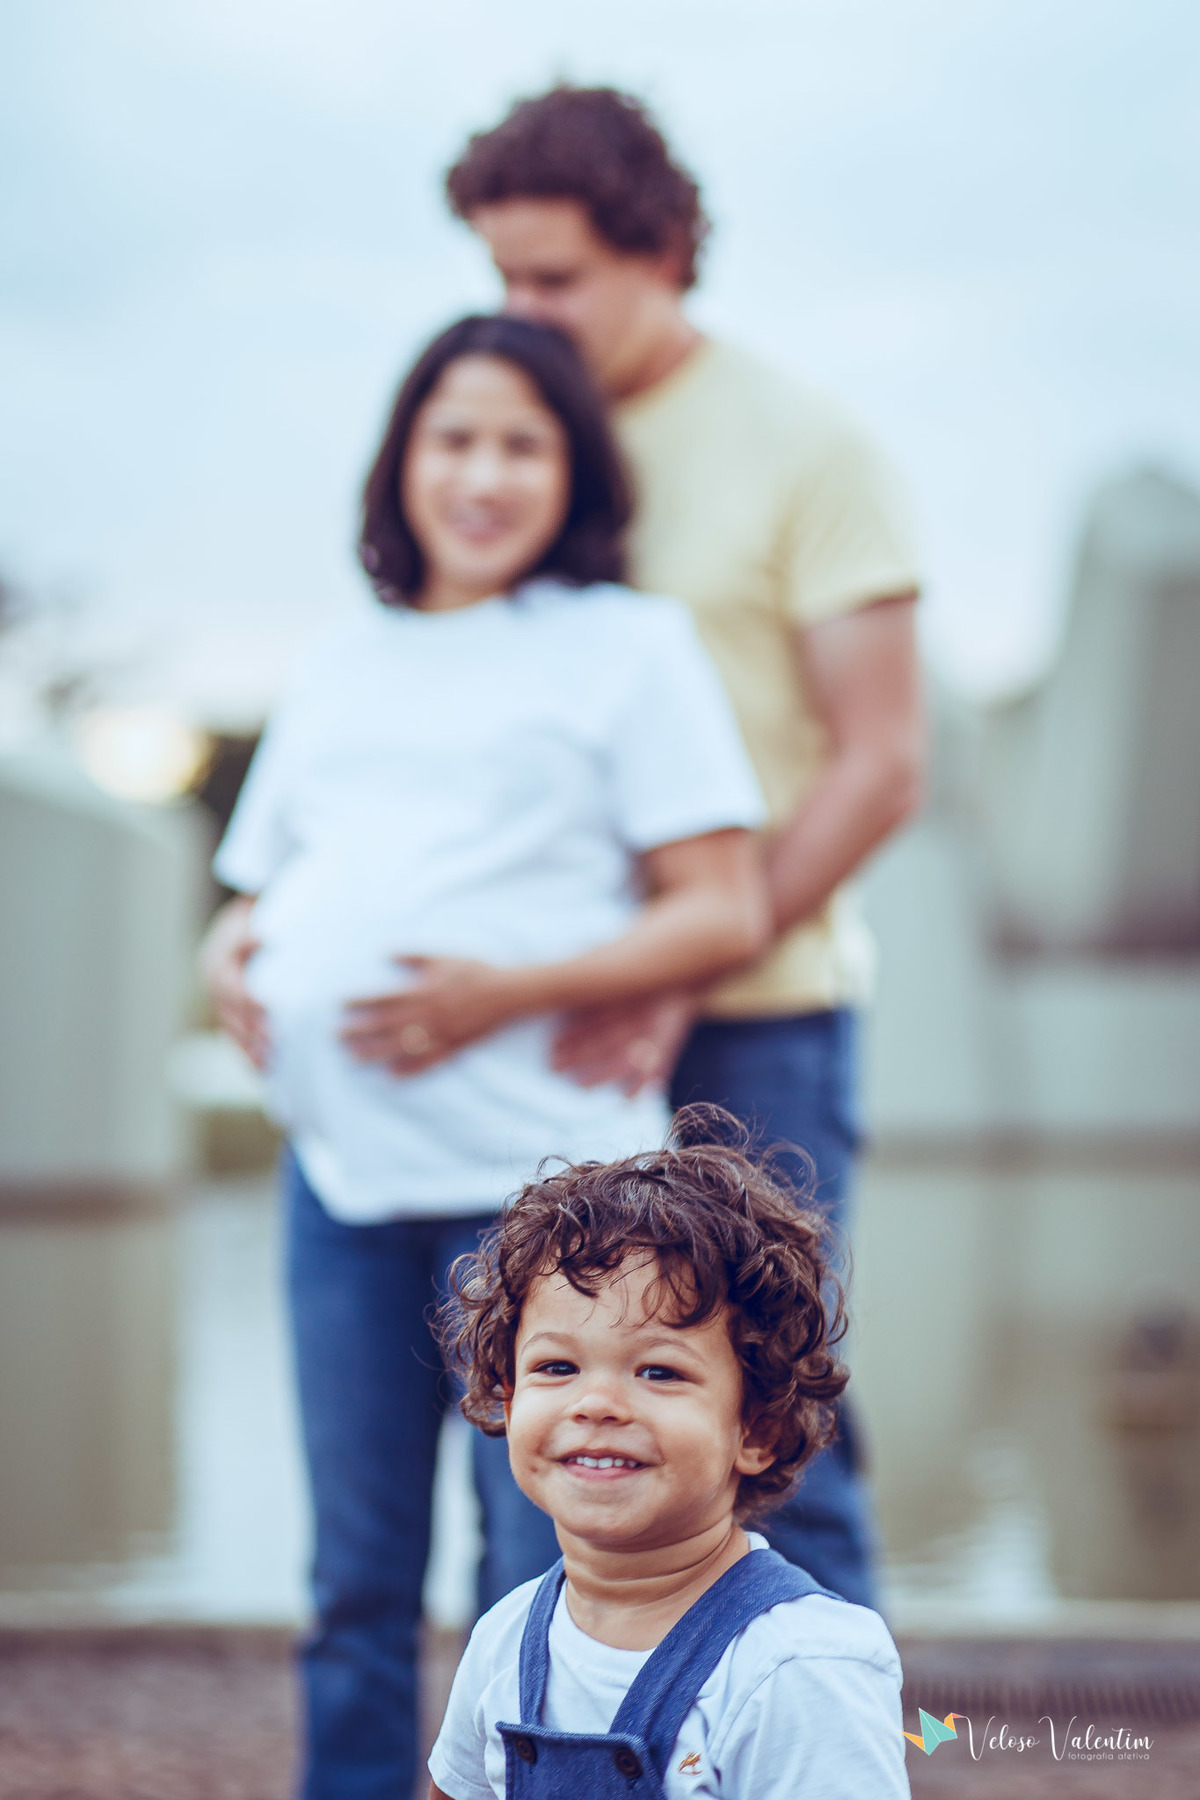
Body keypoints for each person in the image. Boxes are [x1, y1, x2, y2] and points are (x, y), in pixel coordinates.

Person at [204, 313, 769, 1800]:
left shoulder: (627, 648)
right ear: (401, 466)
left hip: (547, 1201)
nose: (484, 471)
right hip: (340, 1180)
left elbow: (725, 903)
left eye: (524, 440)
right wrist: (230, 946)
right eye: (453, 436)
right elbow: (267, 884)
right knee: (353, 1586)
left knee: (558, 1583)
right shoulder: (341, 661)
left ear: (572, 471)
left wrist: (499, 992)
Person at [440, 85, 927, 1608]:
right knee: (555, 1434)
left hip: (755, 1019)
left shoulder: (807, 443)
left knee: (777, 1445)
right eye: (501, 277)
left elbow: (879, 763)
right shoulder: (516, 444)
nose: (525, 310)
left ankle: (842, 1760)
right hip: (549, 1029)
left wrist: (692, 959)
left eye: (556, 277)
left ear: (664, 252)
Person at [427, 1116, 910, 1800]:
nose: (596, 1404)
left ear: (758, 1430)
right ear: (506, 1399)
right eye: (558, 1366)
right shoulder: (505, 1639)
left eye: (658, 1373)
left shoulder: (797, 1666)